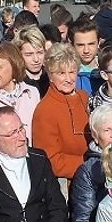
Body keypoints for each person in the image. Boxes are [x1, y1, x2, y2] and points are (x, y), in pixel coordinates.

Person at [31, 43, 90, 181]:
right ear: (51, 76)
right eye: (61, 73)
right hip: (70, 180)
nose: (68, 79)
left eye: (72, 72)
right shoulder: (45, 110)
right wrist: (88, 164)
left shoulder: (84, 97)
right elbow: (51, 159)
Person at [70, 18, 104, 95]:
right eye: (80, 45)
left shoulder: (109, 68)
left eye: (91, 44)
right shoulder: (67, 73)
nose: (86, 50)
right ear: (72, 45)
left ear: (98, 43)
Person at [14, 26, 50, 97]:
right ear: (19, 55)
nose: (36, 59)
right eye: (29, 54)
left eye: (40, 53)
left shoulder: (52, 77)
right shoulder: (15, 83)